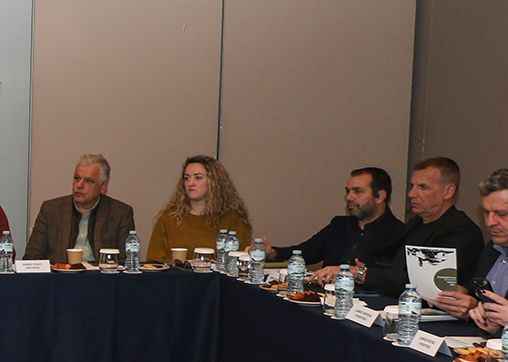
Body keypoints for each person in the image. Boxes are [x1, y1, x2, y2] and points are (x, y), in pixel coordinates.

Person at [358, 157, 483, 298]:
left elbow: (426, 283)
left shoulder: (461, 231)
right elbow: (397, 265)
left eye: (423, 187)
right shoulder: (416, 222)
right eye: (413, 186)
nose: (411, 194)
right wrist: (368, 268)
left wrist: (364, 274)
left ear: (448, 191)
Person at [263, 167, 406, 284]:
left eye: (358, 191)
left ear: (380, 196)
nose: (349, 197)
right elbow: (307, 252)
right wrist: (273, 253)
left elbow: (393, 279)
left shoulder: (398, 234)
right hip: (325, 297)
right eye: (348, 191)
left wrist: (360, 272)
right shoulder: (340, 225)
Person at [23, 154, 134, 265]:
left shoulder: (120, 213)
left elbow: (127, 261)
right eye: (77, 178)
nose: (79, 185)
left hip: (100, 275)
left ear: (103, 186)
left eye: (88, 181)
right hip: (60, 274)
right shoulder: (51, 210)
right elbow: (32, 257)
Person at [147, 155, 251, 263]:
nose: (190, 183)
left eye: (198, 178)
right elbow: (154, 262)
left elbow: (242, 260)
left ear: (214, 182)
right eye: (187, 178)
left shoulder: (233, 219)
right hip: (177, 274)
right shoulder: (169, 219)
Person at [439, 168, 508, 322]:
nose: (490, 222)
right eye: (486, 212)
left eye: (502, 214)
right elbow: (477, 296)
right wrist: (466, 300)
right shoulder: (492, 249)